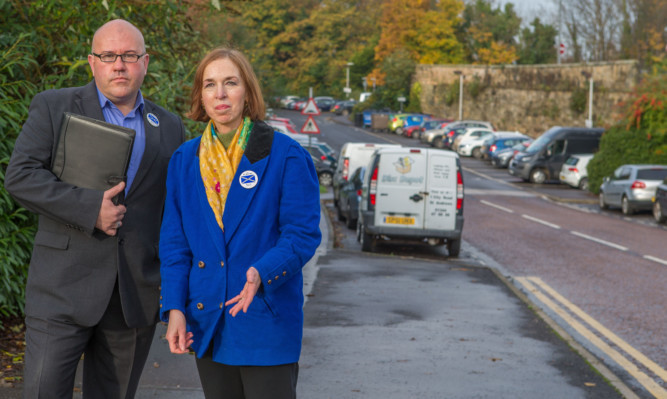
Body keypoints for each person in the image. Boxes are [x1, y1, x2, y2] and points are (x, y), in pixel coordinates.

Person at [4, 19, 185, 398]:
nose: (119, 64)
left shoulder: (169, 126)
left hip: (133, 299)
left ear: (145, 62)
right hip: (61, 292)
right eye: (108, 56)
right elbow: (20, 178)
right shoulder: (54, 106)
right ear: (92, 62)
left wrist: (177, 298)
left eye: (129, 56)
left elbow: (175, 215)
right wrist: (90, 208)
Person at [159, 47, 321, 398]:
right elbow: (175, 245)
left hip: (264, 319)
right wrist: (174, 308)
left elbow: (302, 234)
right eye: (210, 85)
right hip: (207, 322)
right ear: (200, 97)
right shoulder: (184, 160)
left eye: (230, 83)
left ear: (247, 92)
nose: (220, 94)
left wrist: (262, 271)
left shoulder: (287, 155)